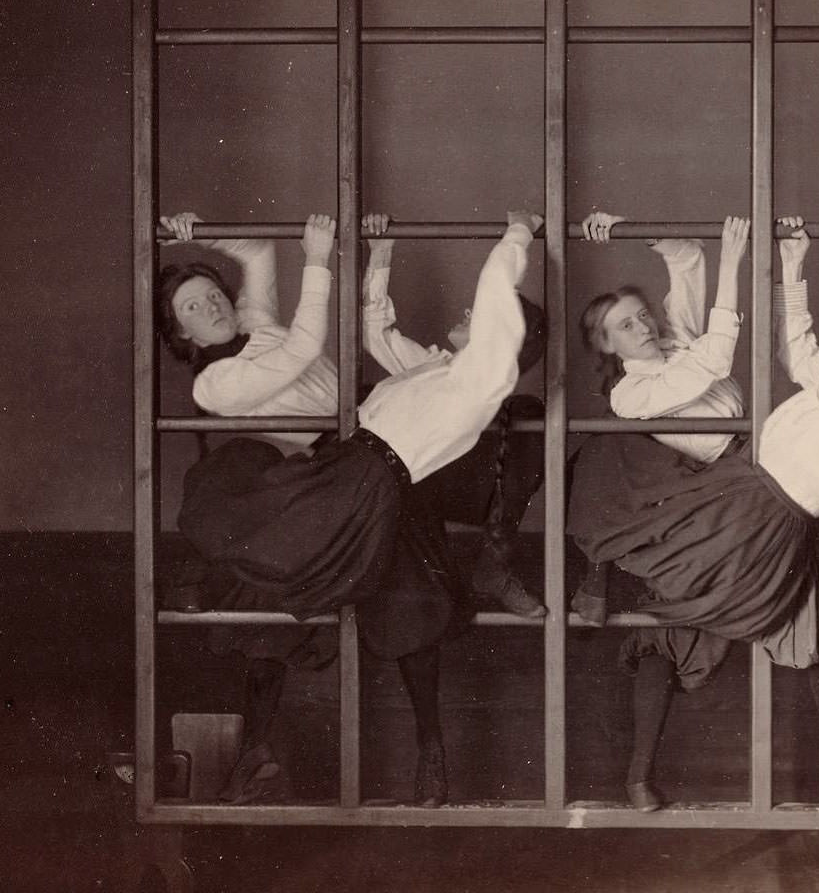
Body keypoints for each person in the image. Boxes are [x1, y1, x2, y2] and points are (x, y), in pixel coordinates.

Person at [569, 209, 819, 811]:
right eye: (624, 324)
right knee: (677, 622)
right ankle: (638, 770)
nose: (643, 326)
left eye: (642, 315)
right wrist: (792, 263)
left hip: (759, 495)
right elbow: (792, 354)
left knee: (815, 614)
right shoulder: (631, 389)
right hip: (722, 493)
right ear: (605, 345)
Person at [157, 209, 544, 807]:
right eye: (191, 308)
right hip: (317, 483)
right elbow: (308, 345)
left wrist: (193, 233)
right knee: (274, 603)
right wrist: (316, 258)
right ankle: (255, 745)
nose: (210, 306)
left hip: (371, 448)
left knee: (413, 597)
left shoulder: (258, 327)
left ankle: (431, 750)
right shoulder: (214, 385)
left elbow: (256, 253)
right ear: (181, 336)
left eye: (211, 292)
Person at [359, 217, 547, 619]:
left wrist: (521, 229)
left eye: (480, 313)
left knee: (528, 414)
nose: (468, 310)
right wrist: (381, 249)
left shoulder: (485, 383)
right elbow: (377, 335)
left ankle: (493, 563)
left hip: (472, 489)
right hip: (418, 485)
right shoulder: (433, 366)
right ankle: (454, 585)